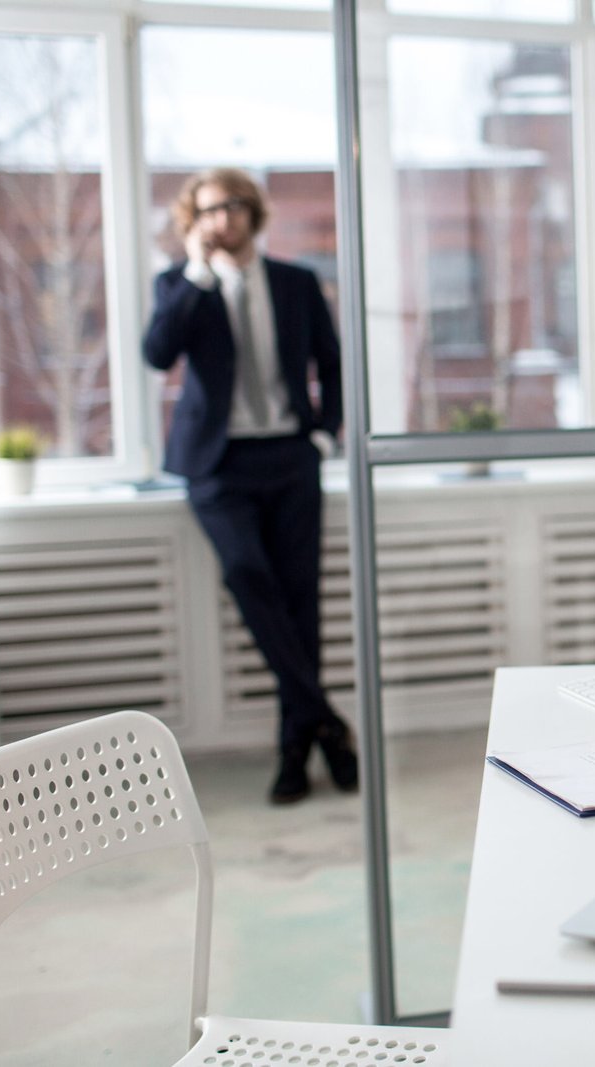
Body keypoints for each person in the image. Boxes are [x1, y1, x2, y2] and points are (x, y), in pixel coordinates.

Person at [142, 167, 356, 805]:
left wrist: (323, 434)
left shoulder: (295, 283)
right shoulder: (179, 286)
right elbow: (157, 354)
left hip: (291, 458)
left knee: (300, 600)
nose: (224, 218)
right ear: (194, 220)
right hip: (218, 467)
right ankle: (325, 722)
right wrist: (196, 276)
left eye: (235, 206)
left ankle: (296, 747)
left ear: (253, 214)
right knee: (248, 578)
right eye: (210, 209)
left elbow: (332, 362)